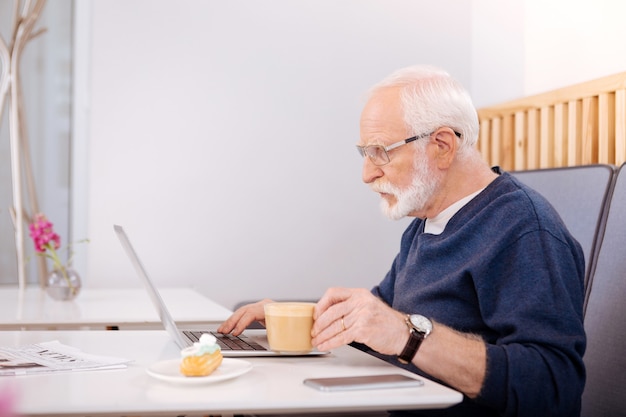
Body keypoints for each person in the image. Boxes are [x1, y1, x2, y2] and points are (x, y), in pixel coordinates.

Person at [218, 65, 586, 417]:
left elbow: (554, 388)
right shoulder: (428, 219)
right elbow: (380, 319)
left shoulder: (524, 230)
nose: (367, 173)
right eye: (365, 153)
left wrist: (408, 336)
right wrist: (292, 316)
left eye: (380, 151)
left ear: (442, 145)